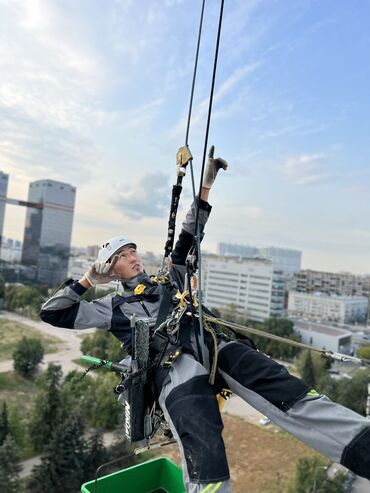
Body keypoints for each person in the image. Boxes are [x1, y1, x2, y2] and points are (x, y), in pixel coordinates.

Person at [40, 149, 370, 493]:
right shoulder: (112, 307)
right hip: (175, 370)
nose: (132, 257)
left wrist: (205, 188)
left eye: (133, 251)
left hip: (214, 345)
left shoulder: (170, 281)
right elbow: (53, 313)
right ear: (111, 268)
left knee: (289, 392)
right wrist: (88, 280)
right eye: (121, 257)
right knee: (202, 441)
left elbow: (185, 241)